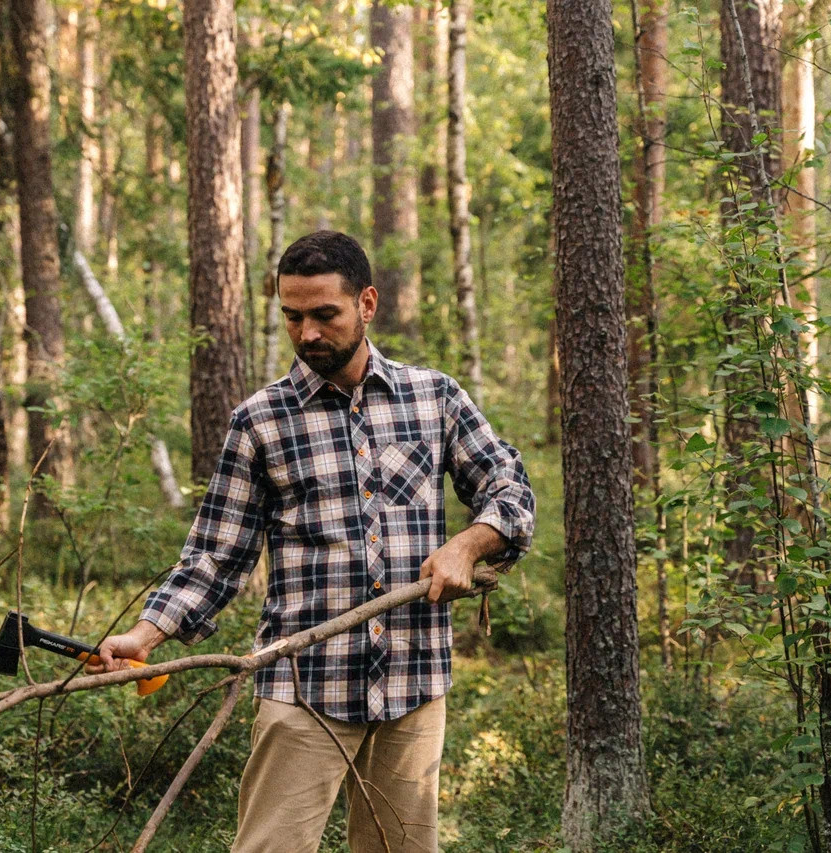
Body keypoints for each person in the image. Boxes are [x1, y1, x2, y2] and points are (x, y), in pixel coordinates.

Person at [93, 230, 535, 852]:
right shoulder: (259, 421)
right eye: (292, 317)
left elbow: (509, 489)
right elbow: (216, 557)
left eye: (325, 314)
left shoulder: (433, 399)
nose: (307, 334)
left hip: (413, 683)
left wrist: (469, 543)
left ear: (367, 304)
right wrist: (141, 637)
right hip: (303, 688)